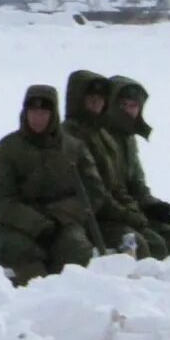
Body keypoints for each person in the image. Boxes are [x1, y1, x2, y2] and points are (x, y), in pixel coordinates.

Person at [0, 83, 111, 283]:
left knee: (76, 250)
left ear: (53, 115)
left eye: (43, 113)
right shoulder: (7, 149)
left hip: (63, 224)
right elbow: (2, 199)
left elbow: (93, 193)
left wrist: (60, 216)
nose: (37, 118)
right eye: (33, 112)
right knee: (25, 257)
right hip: (17, 226)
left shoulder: (74, 148)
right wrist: (37, 223)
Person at [103, 75, 170, 259]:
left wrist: (152, 204)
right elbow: (108, 189)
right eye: (123, 105)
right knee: (163, 243)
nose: (128, 111)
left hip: (135, 208)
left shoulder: (128, 139)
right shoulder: (101, 138)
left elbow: (137, 183)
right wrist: (134, 210)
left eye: (133, 106)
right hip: (115, 214)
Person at [62, 70, 154, 256]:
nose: (97, 103)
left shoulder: (103, 136)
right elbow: (93, 192)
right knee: (141, 245)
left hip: (110, 212)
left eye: (101, 98)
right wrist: (126, 214)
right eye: (91, 98)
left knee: (168, 238)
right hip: (87, 218)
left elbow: (117, 184)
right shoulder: (68, 138)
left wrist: (136, 208)